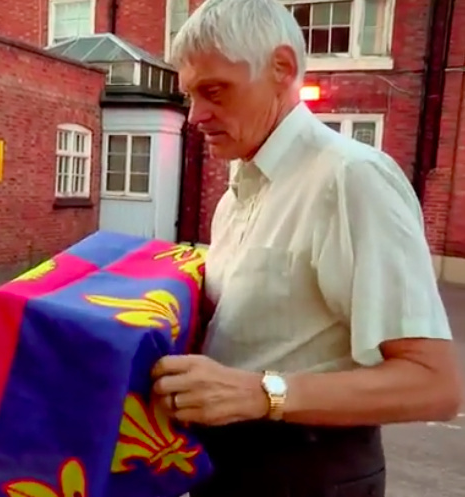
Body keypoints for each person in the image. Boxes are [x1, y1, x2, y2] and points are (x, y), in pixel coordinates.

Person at [149, 0, 463, 496]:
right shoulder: (238, 194)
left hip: (308, 474)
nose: (195, 116)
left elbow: (434, 385)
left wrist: (262, 394)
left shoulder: (351, 179)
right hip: (226, 469)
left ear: (282, 69)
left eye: (214, 91)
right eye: (190, 95)